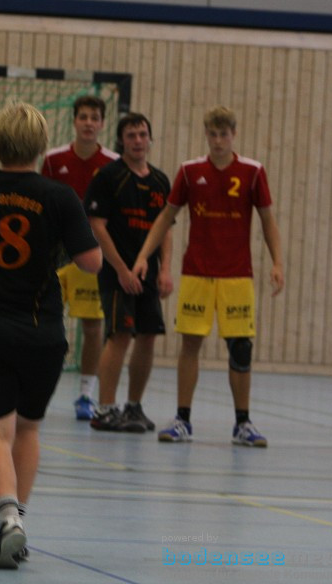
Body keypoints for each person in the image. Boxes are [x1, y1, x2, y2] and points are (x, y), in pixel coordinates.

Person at [0, 100, 101, 569]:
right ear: (42, 146)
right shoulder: (59, 195)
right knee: (27, 428)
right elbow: (92, 262)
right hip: (41, 333)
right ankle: (17, 526)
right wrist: (51, 257)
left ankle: (8, 519)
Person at [132, 106, 284, 448]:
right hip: (197, 273)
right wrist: (144, 256)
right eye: (213, 135)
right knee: (190, 344)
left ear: (233, 135)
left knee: (240, 349)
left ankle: (243, 423)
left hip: (236, 277)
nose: (218, 141)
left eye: (224, 135)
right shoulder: (189, 172)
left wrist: (277, 262)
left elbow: (267, 220)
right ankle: (183, 419)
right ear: (207, 135)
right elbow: (165, 218)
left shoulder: (253, 172)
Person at [84, 113, 172, 434]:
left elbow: (166, 229)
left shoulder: (161, 182)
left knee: (148, 336)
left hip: (148, 273)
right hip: (116, 273)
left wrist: (166, 271)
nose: (137, 140)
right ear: (122, 140)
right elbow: (97, 226)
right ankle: (105, 408)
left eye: (142, 134)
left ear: (150, 139)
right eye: (131, 135)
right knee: (119, 335)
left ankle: (134, 406)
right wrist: (121, 269)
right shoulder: (108, 177)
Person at [41, 95, 118, 420]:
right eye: (83, 116)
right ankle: (38, 389)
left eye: (94, 117)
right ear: (74, 120)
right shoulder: (53, 159)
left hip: (91, 255)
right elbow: (40, 205)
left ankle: (86, 395)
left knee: (92, 325)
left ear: (102, 123)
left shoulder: (114, 163)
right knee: (45, 324)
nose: (88, 122)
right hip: (54, 256)